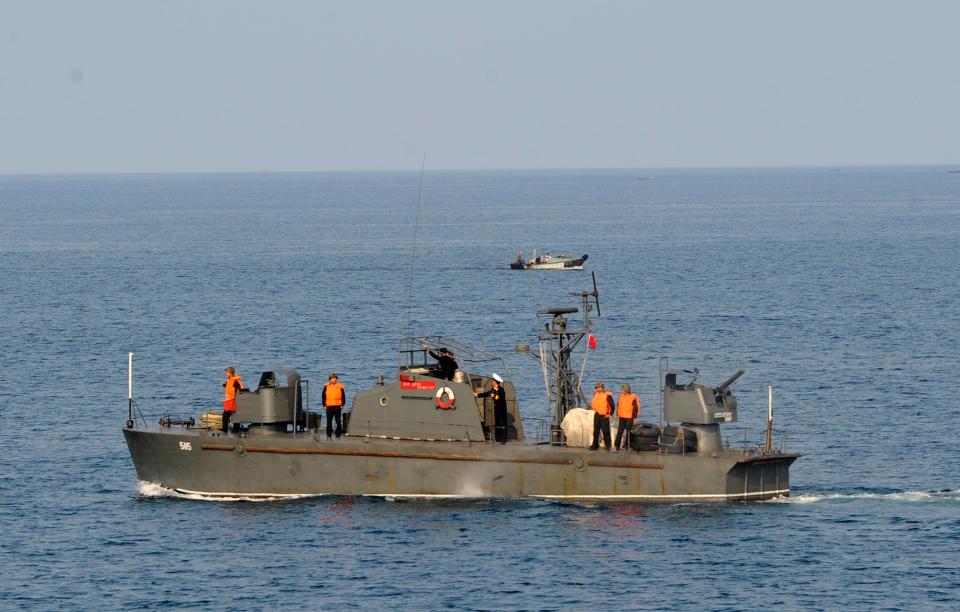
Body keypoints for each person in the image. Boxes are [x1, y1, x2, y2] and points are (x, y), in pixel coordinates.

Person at [474, 373, 508, 443]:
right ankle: (498, 438)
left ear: (495, 382)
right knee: (497, 423)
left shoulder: (501, 390)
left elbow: (500, 399)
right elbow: (487, 393)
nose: (491, 381)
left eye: (492, 380)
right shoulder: (493, 389)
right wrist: (478, 395)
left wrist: (494, 396)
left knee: (502, 424)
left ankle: (503, 439)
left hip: (501, 411)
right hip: (496, 410)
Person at [589, 381, 614, 451]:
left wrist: (610, 414)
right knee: (596, 432)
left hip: (604, 416)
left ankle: (608, 446)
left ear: (602, 388)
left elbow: (612, 406)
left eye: (598, 387)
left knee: (606, 431)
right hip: (597, 415)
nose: (596, 389)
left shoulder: (607, 395)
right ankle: (595, 445)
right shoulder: (595, 394)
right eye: (596, 387)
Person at [614, 383, 640, 451]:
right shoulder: (621, 396)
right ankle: (616, 445)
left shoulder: (633, 397)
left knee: (628, 432)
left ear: (626, 390)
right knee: (620, 431)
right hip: (622, 417)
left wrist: (634, 418)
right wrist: (617, 414)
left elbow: (635, 408)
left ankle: (627, 446)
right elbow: (618, 406)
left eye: (622, 390)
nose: (621, 391)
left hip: (629, 417)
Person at [323, 372, 346, 439]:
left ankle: (338, 433)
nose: (334, 379)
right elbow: (323, 396)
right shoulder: (326, 387)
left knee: (338, 421)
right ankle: (329, 434)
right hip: (329, 406)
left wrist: (342, 404)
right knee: (329, 421)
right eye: (333, 378)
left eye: (335, 378)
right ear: (330, 379)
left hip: (337, 406)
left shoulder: (340, 386)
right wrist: (324, 405)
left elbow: (343, 396)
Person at [221, 367, 244, 433]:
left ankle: (225, 429)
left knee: (226, 415)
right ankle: (235, 429)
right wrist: (225, 385)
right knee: (234, 414)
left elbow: (239, 389)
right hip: (230, 399)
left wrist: (236, 398)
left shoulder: (235, 380)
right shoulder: (230, 380)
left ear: (231, 373)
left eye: (227, 372)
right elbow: (231, 388)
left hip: (232, 400)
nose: (226, 374)